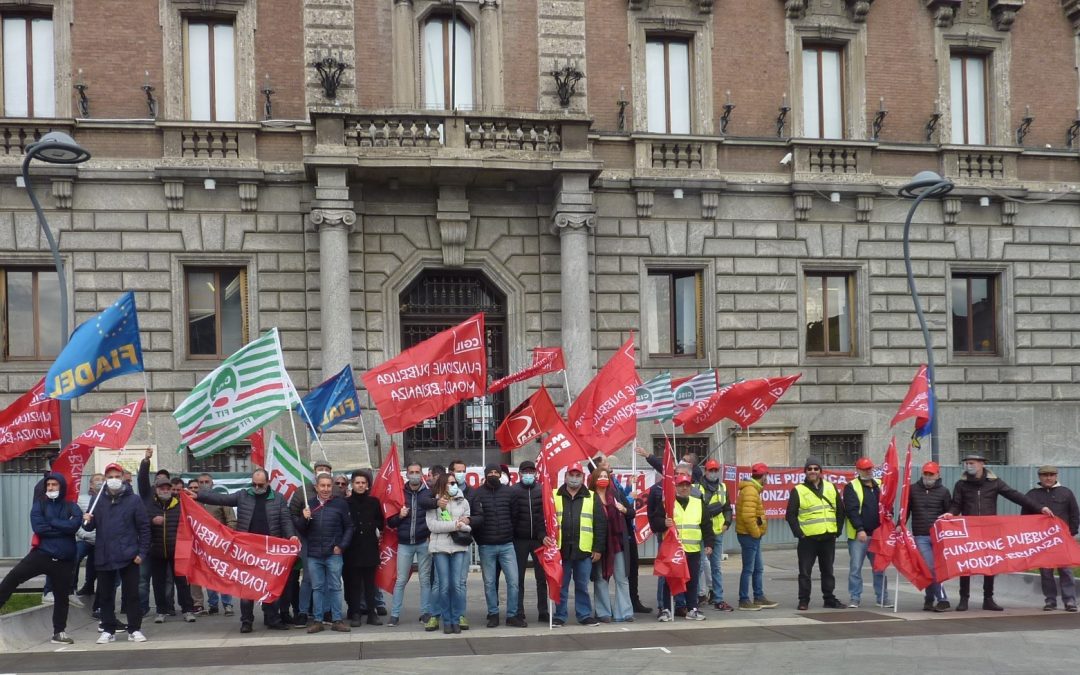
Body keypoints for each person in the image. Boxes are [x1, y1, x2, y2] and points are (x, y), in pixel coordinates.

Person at [192, 468, 299, 632]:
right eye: (254, 484)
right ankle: (246, 621)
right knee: (247, 586)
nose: (256, 488)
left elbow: (285, 520)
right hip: (247, 551)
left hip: (270, 551)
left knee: (270, 586)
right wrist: (199, 495)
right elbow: (222, 498)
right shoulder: (243, 495)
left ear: (268, 483)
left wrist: (291, 536)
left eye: (260, 485)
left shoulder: (278, 499)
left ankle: (272, 618)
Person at [943, 453, 1051, 611]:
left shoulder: (994, 483)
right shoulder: (961, 484)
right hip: (970, 530)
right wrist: (951, 513)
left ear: (982, 464)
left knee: (990, 564)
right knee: (965, 564)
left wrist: (1039, 508)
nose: (968, 466)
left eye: (971, 463)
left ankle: (988, 599)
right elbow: (956, 504)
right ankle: (963, 599)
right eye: (966, 463)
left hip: (989, 531)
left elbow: (1015, 495)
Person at [0, 473, 83, 644]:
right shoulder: (39, 505)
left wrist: (52, 521)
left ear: (61, 487)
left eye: (54, 485)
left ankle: (59, 632)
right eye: (49, 485)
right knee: (11, 579)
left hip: (65, 560)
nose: (51, 488)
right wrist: (63, 527)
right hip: (42, 554)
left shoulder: (71, 506)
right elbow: (39, 528)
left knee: (62, 597)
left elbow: (75, 525)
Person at [84, 462, 151, 644]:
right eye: (110, 476)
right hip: (104, 554)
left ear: (123, 478)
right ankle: (108, 629)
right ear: (105, 479)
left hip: (129, 554)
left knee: (132, 594)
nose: (114, 480)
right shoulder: (98, 499)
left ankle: (134, 629)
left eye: (117, 476)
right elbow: (89, 527)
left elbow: (144, 528)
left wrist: (142, 553)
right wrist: (87, 519)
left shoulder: (134, 500)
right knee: (105, 594)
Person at [547, 463, 606, 627]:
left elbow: (600, 524)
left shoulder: (592, 496)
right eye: (571, 475)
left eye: (577, 475)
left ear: (583, 477)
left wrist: (598, 548)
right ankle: (560, 616)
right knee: (561, 585)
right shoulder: (554, 495)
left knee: (582, 585)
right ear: (565, 477)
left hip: (584, 550)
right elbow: (546, 520)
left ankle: (584, 615)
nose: (574, 478)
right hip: (561, 550)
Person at [296, 473, 353, 633]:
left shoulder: (340, 504)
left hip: (333, 553)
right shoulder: (309, 504)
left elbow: (349, 527)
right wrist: (303, 518)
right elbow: (301, 529)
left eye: (329, 485)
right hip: (314, 554)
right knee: (318, 588)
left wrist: (341, 546)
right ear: (316, 487)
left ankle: (337, 619)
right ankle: (318, 620)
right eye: (323, 485)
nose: (326, 489)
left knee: (335, 587)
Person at [786, 456, 844, 611]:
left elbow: (840, 511)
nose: (813, 471)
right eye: (809, 469)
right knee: (805, 572)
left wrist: (837, 531)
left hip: (828, 537)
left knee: (828, 571)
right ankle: (803, 600)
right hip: (808, 539)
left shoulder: (831, 488)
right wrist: (799, 534)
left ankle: (829, 599)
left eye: (815, 468)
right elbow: (790, 515)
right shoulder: (798, 490)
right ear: (805, 471)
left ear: (820, 471)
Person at [1023, 465, 1080, 612]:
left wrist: (1071, 533)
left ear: (1056, 476)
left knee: (1065, 570)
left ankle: (1070, 601)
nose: (1048, 478)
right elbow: (1025, 518)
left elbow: (1074, 513)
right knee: (1046, 572)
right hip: (1042, 541)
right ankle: (1050, 600)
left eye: (1051, 475)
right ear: (1039, 477)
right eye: (1045, 475)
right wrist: (1031, 537)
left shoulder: (1066, 493)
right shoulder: (1032, 494)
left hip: (1062, 540)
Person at [474, 462, 524, 628]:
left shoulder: (509, 493)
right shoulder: (478, 494)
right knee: (489, 583)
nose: (494, 475)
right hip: (486, 546)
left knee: (514, 582)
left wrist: (509, 533)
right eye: (491, 472)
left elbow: (515, 516)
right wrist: (480, 539)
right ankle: (493, 614)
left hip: (507, 545)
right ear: (486, 475)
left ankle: (512, 615)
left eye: (496, 472)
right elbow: (475, 518)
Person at [386, 462, 434, 627]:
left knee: (425, 580)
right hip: (405, 543)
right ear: (407, 474)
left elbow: (436, 516)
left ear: (422, 474)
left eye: (417, 472)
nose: (414, 474)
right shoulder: (399, 494)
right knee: (400, 580)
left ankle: (425, 613)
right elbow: (390, 523)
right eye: (411, 472)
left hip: (423, 542)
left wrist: (430, 535)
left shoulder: (429, 493)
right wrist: (399, 516)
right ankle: (394, 614)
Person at [288, 459, 335, 627]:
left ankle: (327, 611)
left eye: (326, 469)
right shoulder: (302, 491)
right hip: (308, 540)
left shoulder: (335, 490)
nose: (323, 471)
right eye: (319, 469)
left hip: (329, 540)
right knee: (308, 578)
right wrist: (302, 519)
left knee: (329, 579)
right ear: (314, 472)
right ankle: (302, 611)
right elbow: (291, 515)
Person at [146, 475, 198, 624]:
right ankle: (161, 611)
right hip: (156, 550)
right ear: (156, 490)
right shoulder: (150, 505)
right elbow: (142, 523)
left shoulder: (180, 504)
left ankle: (187, 610)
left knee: (182, 581)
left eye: (167, 488)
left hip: (177, 550)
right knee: (158, 583)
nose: (165, 490)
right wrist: (152, 521)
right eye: (162, 488)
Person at [427, 472, 472, 634]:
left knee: (457, 585)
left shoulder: (463, 501)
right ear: (442, 485)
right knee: (444, 586)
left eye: (454, 483)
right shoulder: (435, 503)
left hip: (459, 547)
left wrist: (462, 524)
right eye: (449, 483)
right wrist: (456, 524)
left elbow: (468, 526)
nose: (453, 486)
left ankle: (456, 618)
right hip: (440, 548)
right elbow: (433, 526)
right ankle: (446, 620)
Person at [843, 457, 890, 608]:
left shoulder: (880, 484)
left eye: (869, 468)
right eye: (864, 469)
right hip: (860, 536)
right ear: (857, 470)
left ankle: (882, 598)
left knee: (880, 568)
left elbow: (887, 505)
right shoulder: (851, 487)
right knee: (855, 568)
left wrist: (889, 516)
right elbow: (851, 511)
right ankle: (855, 597)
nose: (868, 471)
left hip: (878, 535)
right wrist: (860, 529)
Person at [589, 466, 633, 623]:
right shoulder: (589, 497)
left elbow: (631, 512)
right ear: (594, 479)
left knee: (621, 578)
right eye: (600, 476)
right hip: (599, 545)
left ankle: (625, 612)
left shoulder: (615, 494)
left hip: (617, 543)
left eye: (605, 476)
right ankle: (603, 612)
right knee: (601, 579)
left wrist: (624, 510)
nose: (603, 478)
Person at [906, 461, 951, 612]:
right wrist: (900, 524)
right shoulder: (912, 490)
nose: (928, 476)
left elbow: (949, 513)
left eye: (931, 474)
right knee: (931, 567)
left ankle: (929, 598)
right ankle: (943, 599)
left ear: (938, 475)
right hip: (921, 535)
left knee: (932, 568)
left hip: (938, 536)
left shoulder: (944, 492)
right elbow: (906, 510)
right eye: (925, 473)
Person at [510, 459, 549, 623]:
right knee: (518, 578)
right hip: (519, 540)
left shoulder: (541, 490)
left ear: (535, 473)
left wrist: (543, 535)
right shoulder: (513, 491)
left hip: (539, 540)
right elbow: (511, 516)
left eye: (530, 472)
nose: (528, 475)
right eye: (525, 472)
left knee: (542, 577)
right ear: (519, 474)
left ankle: (544, 611)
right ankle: (519, 610)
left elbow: (544, 515)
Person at [344, 469, 385, 627]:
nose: (360, 486)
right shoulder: (346, 503)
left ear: (368, 485)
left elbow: (380, 522)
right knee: (354, 583)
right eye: (357, 483)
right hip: (352, 549)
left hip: (369, 548)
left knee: (370, 584)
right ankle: (355, 613)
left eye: (363, 483)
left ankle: (371, 613)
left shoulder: (373, 502)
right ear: (352, 484)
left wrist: (375, 528)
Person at [735, 462, 777, 610]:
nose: (767, 479)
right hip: (749, 536)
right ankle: (744, 599)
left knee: (757, 568)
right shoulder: (751, 491)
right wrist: (756, 533)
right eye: (766, 476)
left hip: (751, 535)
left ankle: (758, 596)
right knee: (749, 569)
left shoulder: (752, 490)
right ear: (763, 476)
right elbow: (748, 517)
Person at [194, 473, 236, 617]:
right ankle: (213, 605)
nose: (204, 484)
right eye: (201, 482)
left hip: (220, 544)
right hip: (202, 545)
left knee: (223, 574)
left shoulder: (220, 499)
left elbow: (231, 520)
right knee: (208, 575)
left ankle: (227, 604)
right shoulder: (193, 502)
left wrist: (227, 538)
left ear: (212, 483)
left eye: (207, 481)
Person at [698, 458, 733, 611]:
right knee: (698, 565)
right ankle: (697, 595)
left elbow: (727, 508)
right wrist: (713, 508)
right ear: (705, 471)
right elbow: (698, 509)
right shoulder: (697, 487)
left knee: (716, 567)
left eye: (715, 470)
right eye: (710, 470)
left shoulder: (723, 487)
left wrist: (727, 523)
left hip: (717, 531)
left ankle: (717, 597)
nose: (713, 473)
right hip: (702, 532)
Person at [75, 473, 104, 602]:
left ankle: (89, 586)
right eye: (97, 480)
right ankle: (71, 588)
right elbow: (75, 518)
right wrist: (83, 534)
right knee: (75, 558)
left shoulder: (107, 499)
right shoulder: (81, 499)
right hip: (85, 539)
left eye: (103, 480)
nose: (100, 482)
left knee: (94, 565)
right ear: (91, 484)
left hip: (100, 540)